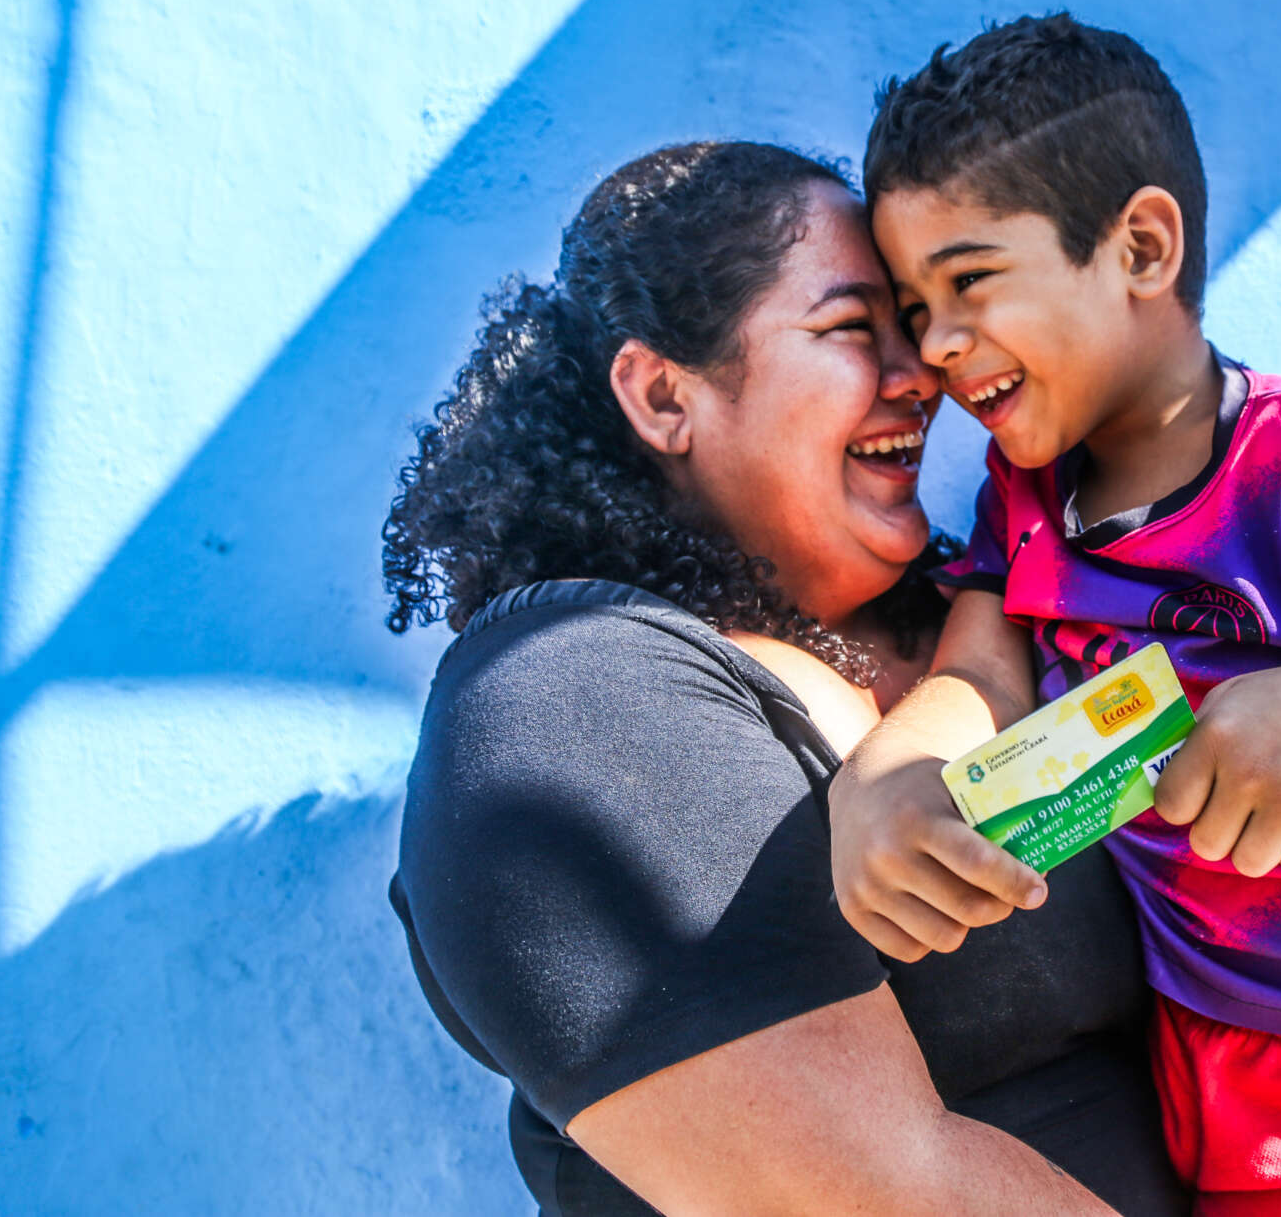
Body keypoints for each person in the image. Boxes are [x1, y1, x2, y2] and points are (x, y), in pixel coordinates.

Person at [382, 141, 1190, 1216]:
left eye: (914, 328)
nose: (923, 375)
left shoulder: (990, 617)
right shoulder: (567, 700)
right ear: (663, 395)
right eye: (853, 330)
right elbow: (875, 1197)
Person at [831, 15, 1281, 1215]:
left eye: (967, 284)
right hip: (1165, 1061)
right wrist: (881, 786)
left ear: (1141, 248)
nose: (938, 348)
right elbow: (984, 675)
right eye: (911, 306)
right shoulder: (1027, 490)